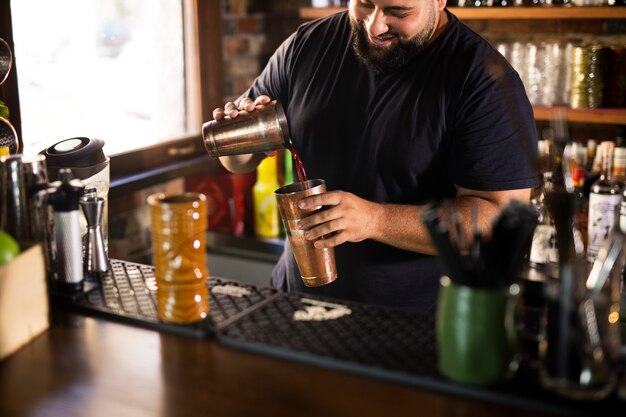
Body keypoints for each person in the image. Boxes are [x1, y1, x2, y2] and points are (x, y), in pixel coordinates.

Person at [212, 0, 539, 313]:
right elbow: (236, 160)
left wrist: (374, 220)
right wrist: (240, 135)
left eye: (398, 11)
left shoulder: (482, 80)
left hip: (409, 328)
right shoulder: (306, 46)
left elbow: (498, 222)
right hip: (297, 305)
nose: (374, 25)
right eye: (365, 4)